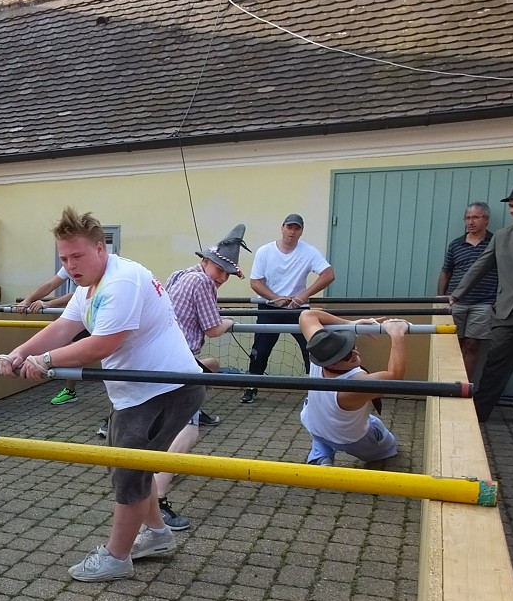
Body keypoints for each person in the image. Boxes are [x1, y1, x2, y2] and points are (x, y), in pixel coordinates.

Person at [0, 207, 205, 582]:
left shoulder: (121, 282)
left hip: (165, 390)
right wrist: (18, 353)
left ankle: (117, 557)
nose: (71, 265)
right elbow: (63, 327)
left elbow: (102, 345)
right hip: (136, 393)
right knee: (128, 468)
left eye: (77, 256)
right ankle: (156, 535)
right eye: (64, 258)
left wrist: (45, 361)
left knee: (128, 474)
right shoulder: (89, 286)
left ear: (100, 249)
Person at [154, 224, 248, 529]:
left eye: (226, 274)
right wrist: (230, 321)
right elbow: (212, 328)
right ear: (206, 260)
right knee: (190, 432)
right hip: (178, 362)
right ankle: (157, 498)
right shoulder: (203, 283)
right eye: (219, 269)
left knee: (212, 364)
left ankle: (161, 462)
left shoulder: (180, 275)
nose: (221, 277)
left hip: (158, 357)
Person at [449, 183, 513, 423]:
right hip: (509, 311)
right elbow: (480, 266)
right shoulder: (503, 236)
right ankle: (479, 413)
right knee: (495, 364)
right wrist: (456, 294)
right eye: (512, 206)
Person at [241, 214, 335, 404]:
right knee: (260, 350)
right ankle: (251, 387)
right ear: (282, 228)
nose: (292, 232)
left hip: (298, 309)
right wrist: (275, 299)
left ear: (301, 231)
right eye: (289, 227)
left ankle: (316, 390)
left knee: (311, 348)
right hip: (269, 308)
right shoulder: (265, 251)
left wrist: (302, 297)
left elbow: (328, 274)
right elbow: (255, 282)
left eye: (296, 228)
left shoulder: (309, 252)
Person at [297, 310, 407, 466]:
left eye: (350, 346)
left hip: (316, 426)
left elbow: (306, 315)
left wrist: (351, 324)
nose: (355, 353)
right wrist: (397, 335)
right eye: (346, 356)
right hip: (351, 441)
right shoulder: (353, 386)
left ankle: (321, 454)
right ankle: (327, 452)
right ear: (331, 363)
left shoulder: (318, 353)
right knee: (383, 438)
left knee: (320, 416)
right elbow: (395, 377)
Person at [437, 202, 495, 382]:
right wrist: (441, 298)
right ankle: (448, 383)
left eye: (475, 217)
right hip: (457, 302)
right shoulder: (456, 245)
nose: (470, 222)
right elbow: (446, 271)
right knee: (454, 345)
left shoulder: (496, 243)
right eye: (468, 218)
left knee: (472, 345)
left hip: (484, 303)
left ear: (486, 219)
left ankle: (464, 386)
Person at [14, 271, 84, 405]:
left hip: (100, 314)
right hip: (80, 315)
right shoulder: (69, 265)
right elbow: (50, 285)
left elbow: (78, 294)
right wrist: (28, 300)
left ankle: (114, 405)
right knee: (71, 347)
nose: (69, 262)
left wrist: (47, 304)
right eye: (64, 258)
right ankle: (70, 391)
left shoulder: (95, 266)